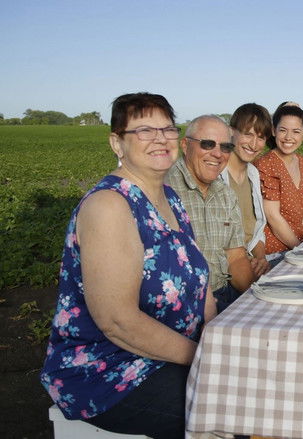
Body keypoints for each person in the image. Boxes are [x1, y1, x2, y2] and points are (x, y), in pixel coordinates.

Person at [40, 92, 216, 438]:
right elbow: (117, 321)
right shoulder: (109, 206)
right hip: (110, 371)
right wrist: (204, 356)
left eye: (167, 129)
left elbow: (201, 282)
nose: (161, 138)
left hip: (171, 351)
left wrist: (216, 338)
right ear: (117, 143)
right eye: (144, 131)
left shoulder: (171, 199)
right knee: (229, 408)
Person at [166, 115, 258, 313]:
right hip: (185, 303)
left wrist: (256, 301)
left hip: (225, 292)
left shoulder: (225, 194)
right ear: (185, 145)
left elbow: (236, 258)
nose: (218, 154)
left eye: (225, 147)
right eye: (207, 144)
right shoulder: (165, 189)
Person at [221, 103, 273, 277]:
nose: (253, 144)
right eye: (248, 134)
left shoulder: (253, 173)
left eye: (260, 137)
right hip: (226, 269)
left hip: (252, 263)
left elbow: (256, 230)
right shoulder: (215, 173)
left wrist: (261, 258)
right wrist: (246, 262)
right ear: (231, 132)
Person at [254, 105, 303, 254]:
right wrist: (300, 250)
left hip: (299, 244)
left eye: (296, 131)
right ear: (274, 131)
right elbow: (272, 217)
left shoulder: (302, 162)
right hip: (276, 248)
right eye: (283, 130)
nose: (288, 137)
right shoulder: (267, 164)